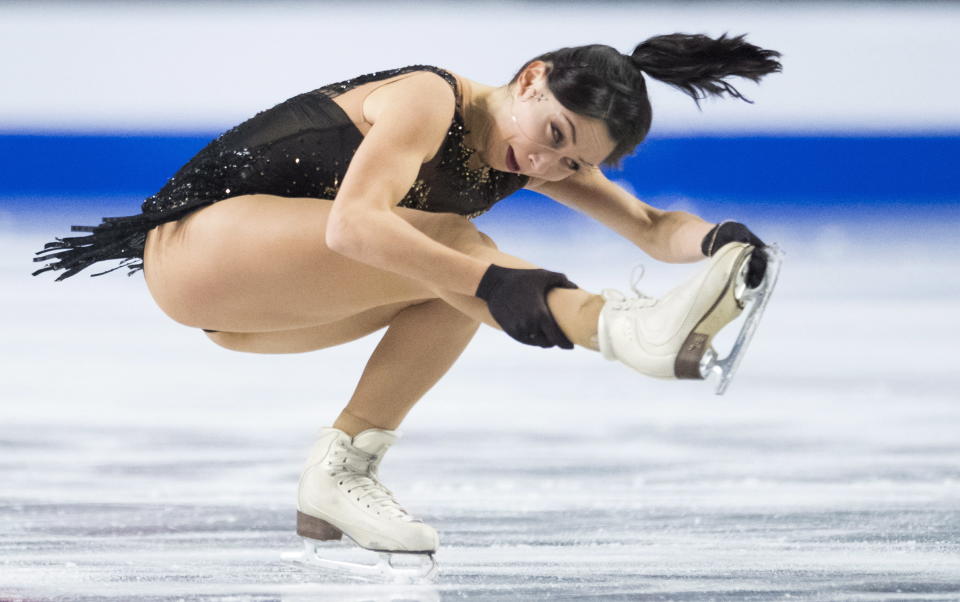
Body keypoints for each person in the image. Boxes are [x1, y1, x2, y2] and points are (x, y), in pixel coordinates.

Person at [33, 33, 782, 577]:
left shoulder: (536, 156)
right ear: (531, 77)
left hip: (264, 304)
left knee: (447, 286)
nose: (550, 164)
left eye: (575, 161)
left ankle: (341, 471)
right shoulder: (429, 98)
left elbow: (651, 227)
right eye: (554, 136)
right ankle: (623, 330)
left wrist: (722, 241)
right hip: (193, 254)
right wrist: (492, 281)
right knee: (456, 251)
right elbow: (352, 224)